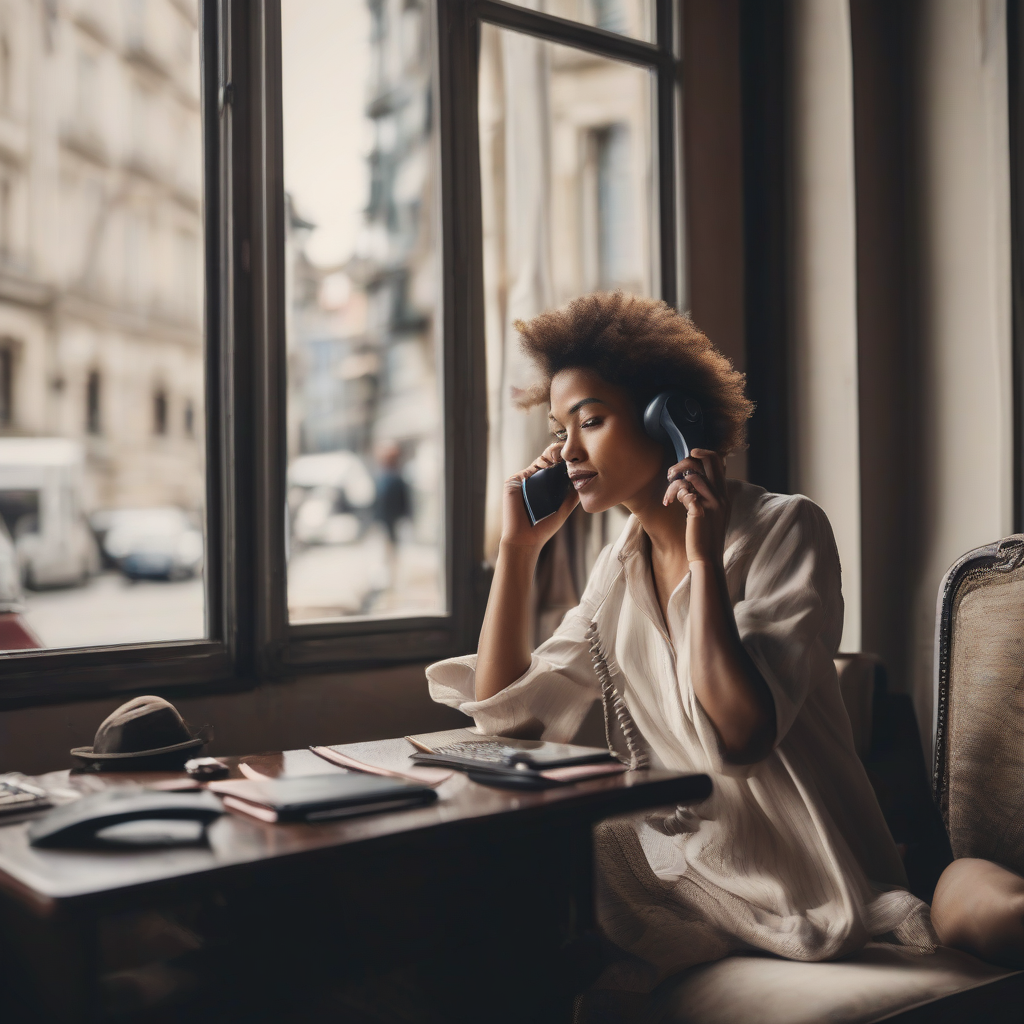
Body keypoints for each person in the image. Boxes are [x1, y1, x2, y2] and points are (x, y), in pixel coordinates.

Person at [426, 293, 933, 1006]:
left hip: (788, 867)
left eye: (592, 422)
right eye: (558, 430)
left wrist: (702, 563)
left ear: (673, 420)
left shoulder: (785, 530)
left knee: (541, 889)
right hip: (689, 854)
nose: (568, 453)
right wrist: (518, 551)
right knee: (511, 876)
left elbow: (742, 735)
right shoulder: (616, 565)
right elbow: (505, 716)